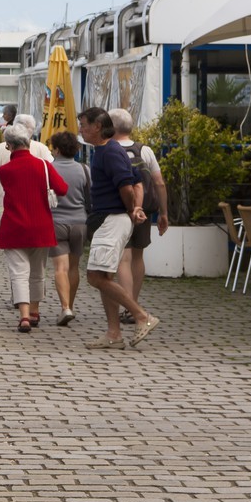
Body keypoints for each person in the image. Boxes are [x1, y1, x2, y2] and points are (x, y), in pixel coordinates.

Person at [79, 108, 158, 348]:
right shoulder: (107, 149)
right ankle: (113, 334)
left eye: (83, 124)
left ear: (98, 126)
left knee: (95, 276)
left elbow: (127, 185)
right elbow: (136, 180)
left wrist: (130, 208)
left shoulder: (109, 151)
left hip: (111, 219)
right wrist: (135, 208)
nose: (80, 129)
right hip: (110, 219)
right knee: (104, 276)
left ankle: (142, 316)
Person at [0, 125, 68, 332]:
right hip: (40, 226)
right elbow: (62, 189)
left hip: (14, 227)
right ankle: (35, 311)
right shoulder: (44, 166)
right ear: (29, 142)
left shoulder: (5, 170)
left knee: (19, 273)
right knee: (37, 272)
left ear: (8, 145)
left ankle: (24, 316)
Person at [109, 107, 167, 322]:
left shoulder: (109, 150)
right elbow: (159, 182)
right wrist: (164, 212)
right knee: (138, 256)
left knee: (123, 258)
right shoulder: (145, 150)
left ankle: (129, 307)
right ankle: (133, 304)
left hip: (118, 210)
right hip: (143, 211)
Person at [0, 113, 51, 238]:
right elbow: (53, 172)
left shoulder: (1, 149)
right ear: (32, 131)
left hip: (6, 207)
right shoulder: (41, 148)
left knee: (12, 249)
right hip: (36, 208)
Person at [47, 130, 90, 325]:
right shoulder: (85, 169)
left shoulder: (48, 169)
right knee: (74, 267)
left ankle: (65, 307)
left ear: (56, 149)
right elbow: (90, 197)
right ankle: (70, 305)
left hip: (56, 222)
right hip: (79, 222)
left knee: (60, 268)